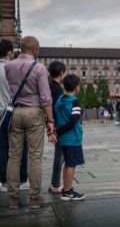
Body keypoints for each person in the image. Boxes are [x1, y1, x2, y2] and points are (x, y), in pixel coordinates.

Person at [6, 36, 55, 209]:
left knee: (14, 156)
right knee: (35, 157)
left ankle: (13, 199)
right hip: (34, 113)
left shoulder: (8, 66)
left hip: (15, 112)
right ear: (35, 48)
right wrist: (50, 120)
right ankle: (34, 199)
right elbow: (45, 97)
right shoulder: (39, 67)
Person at [0, 39, 29, 193]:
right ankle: (22, 177)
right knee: (21, 146)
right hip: (12, 113)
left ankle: (4, 179)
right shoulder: (13, 69)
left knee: (2, 147)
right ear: (10, 52)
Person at [54, 74, 85, 201]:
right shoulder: (75, 102)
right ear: (77, 87)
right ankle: (67, 192)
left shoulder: (60, 99)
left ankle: (67, 190)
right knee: (71, 165)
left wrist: (57, 131)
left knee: (68, 164)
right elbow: (73, 122)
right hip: (72, 138)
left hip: (63, 140)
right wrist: (59, 131)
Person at [48, 61, 66, 194]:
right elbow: (57, 108)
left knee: (59, 154)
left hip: (50, 122)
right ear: (61, 73)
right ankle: (55, 185)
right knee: (60, 155)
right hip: (56, 124)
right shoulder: (58, 89)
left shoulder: (48, 85)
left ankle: (54, 183)